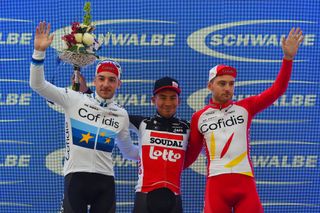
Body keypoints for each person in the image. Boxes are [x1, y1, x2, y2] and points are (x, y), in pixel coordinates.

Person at [183, 28, 304, 213]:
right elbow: (191, 155)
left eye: (231, 83)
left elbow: (277, 90)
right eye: (222, 83)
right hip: (216, 185)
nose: (228, 88)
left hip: (245, 183)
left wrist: (288, 59)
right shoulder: (199, 117)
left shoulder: (245, 107)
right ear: (210, 86)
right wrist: (167, 170)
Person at [30, 21, 139, 213]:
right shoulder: (74, 99)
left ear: (118, 84)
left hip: (105, 183)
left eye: (111, 80)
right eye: (102, 78)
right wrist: (39, 53)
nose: (106, 84)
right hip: (75, 180)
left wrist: (155, 150)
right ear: (94, 80)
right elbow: (38, 85)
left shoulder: (121, 115)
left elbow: (129, 153)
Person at [130, 77, 190, 213]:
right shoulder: (143, 124)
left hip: (173, 199)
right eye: (162, 97)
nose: (168, 103)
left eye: (172, 98)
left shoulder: (187, 128)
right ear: (153, 100)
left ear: (179, 101)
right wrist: (86, 92)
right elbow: (112, 115)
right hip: (144, 197)